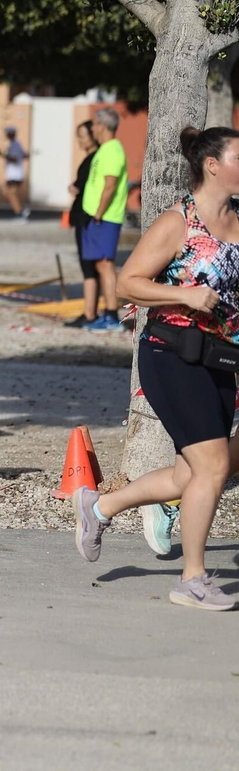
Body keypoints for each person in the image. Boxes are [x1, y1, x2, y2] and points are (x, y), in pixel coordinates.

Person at [69, 126, 239, 611]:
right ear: (213, 165)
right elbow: (128, 283)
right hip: (171, 355)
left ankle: (99, 507)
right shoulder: (178, 222)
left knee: (194, 472)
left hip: (221, 359)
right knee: (213, 465)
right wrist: (184, 294)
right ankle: (193, 578)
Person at [79, 108, 130, 332]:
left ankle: (111, 315)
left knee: (105, 264)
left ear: (102, 126)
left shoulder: (112, 150)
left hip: (105, 217)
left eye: (96, 125)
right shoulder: (106, 149)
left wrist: (99, 213)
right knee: (100, 264)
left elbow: (110, 185)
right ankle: (108, 314)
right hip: (97, 216)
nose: (94, 130)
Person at [65, 121, 101, 328]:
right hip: (83, 217)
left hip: (87, 218)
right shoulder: (92, 159)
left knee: (89, 267)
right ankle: (90, 311)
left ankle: (90, 313)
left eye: (83, 135)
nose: (80, 140)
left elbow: (85, 186)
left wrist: (75, 187)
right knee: (89, 266)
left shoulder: (94, 160)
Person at [1, 125, 30, 220]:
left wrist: (2, 155)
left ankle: (19, 213)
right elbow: (25, 156)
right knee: (11, 193)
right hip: (16, 173)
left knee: (11, 193)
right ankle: (21, 210)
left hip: (14, 174)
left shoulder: (13, 145)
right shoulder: (17, 144)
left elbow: (14, 159)